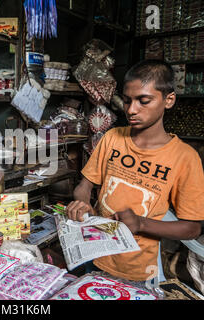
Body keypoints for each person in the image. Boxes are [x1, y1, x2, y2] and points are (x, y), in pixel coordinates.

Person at [66, 59, 204, 282]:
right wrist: (84, 204)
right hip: (96, 253)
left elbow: (192, 228)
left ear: (168, 100)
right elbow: (85, 185)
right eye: (128, 101)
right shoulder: (112, 138)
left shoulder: (185, 158)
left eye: (143, 101)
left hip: (137, 269)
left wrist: (141, 223)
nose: (131, 110)